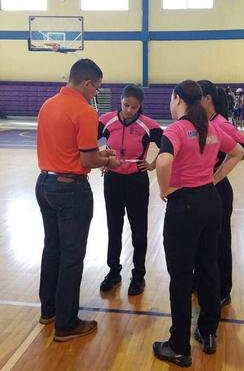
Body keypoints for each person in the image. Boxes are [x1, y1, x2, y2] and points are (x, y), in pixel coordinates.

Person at [153, 80, 244, 367]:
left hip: (186, 207)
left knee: (181, 277)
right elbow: (239, 151)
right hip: (210, 202)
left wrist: (164, 190)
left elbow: (163, 162)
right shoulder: (212, 127)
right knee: (208, 268)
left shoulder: (177, 129)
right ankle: (208, 331)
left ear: (177, 99)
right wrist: (213, 179)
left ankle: (179, 346)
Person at [36, 59, 120, 341]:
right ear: (86, 83)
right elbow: (87, 158)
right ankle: (67, 323)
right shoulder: (84, 111)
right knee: (72, 257)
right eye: (96, 87)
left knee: (52, 249)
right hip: (71, 190)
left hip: (44, 183)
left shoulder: (48, 105)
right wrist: (109, 159)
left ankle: (48, 310)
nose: (95, 92)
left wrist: (98, 155)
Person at [98, 84, 163, 296]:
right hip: (113, 180)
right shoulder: (106, 120)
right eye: (126, 105)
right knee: (113, 227)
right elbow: (86, 142)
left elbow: (170, 147)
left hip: (137, 181)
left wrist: (153, 164)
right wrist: (100, 158)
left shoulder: (148, 125)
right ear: (121, 100)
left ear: (140, 106)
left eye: (134, 107)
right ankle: (113, 272)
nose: (128, 110)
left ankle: (138, 275)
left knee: (138, 230)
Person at [199, 80, 244, 307]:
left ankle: (223, 290)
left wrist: (218, 175)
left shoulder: (220, 123)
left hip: (218, 190)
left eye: (196, 97)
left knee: (221, 242)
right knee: (203, 240)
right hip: (201, 190)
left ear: (207, 99)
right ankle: (201, 282)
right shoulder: (202, 122)